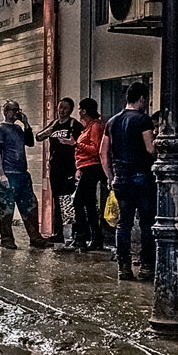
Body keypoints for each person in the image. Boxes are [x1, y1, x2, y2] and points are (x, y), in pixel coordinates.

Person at [100, 82, 156, 281]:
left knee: (123, 224)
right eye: (146, 99)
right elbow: (150, 149)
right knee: (147, 223)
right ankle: (147, 267)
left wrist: (110, 177)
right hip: (141, 177)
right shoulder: (143, 120)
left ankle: (123, 267)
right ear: (141, 98)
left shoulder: (112, 122)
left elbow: (102, 153)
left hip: (120, 179)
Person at [0, 100, 51, 250]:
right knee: (7, 208)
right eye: (13, 110)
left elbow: (30, 142)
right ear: (5, 111)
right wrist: (1, 174)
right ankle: (6, 239)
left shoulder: (18, 129)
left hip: (22, 174)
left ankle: (35, 237)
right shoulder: (0, 130)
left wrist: (26, 125)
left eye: (18, 110)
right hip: (8, 174)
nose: (16, 113)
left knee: (30, 206)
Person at [36, 97, 83, 244]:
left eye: (65, 108)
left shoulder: (74, 124)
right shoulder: (55, 124)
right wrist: (49, 130)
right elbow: (38, 137)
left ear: (71, 110)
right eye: (60, 107)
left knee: (69, 200)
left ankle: (74, 234)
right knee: (57, 200)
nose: (61, 110)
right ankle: (58, 233)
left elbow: (81, 145)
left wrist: (72, 144)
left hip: (69, 168)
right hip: (55, 168)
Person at [73, 98, 107, 253]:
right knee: (89, 204)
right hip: (85, 167)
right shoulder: (88, 128)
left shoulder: (95, 127)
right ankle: (95, 238)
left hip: (92, 167)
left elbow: (95, 149)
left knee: (79, 201)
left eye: (80, 109)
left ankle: (82, 236)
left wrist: (76, 144)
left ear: (84, 111)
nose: (79, 112)